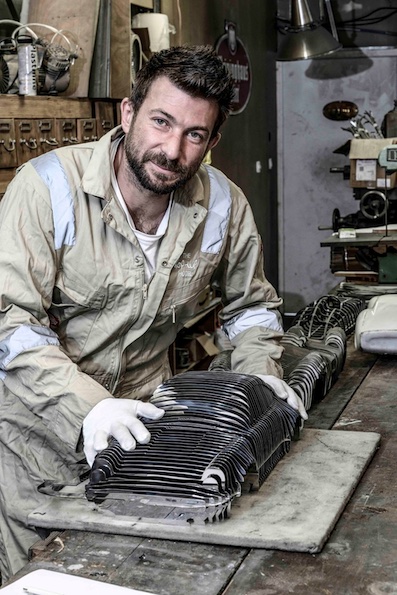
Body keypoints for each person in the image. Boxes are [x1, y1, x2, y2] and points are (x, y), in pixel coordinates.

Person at [0, 44, 307, 581]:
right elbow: (10, 324)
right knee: (40, 580)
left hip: (146, 441)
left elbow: (252, 307)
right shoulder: (46, 188)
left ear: (212, 141)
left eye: (194, 135)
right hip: (35, 445)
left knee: (130, 580)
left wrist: (261, 379)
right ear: (128, 113)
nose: (171, 150)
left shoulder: (223, 205)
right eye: (161, 122)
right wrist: (87, 410)